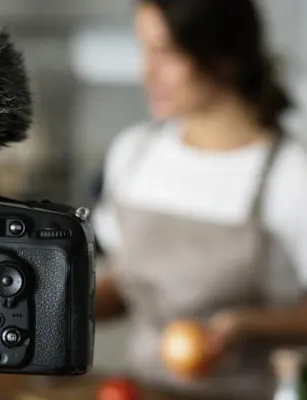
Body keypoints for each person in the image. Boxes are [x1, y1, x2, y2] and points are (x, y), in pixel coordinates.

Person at [93, 0, 307, 399]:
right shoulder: (136, 151)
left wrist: (246, 325)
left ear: (223, 56)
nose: (146, 71)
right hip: (139, 390)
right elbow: (125, 284)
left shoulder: (291, 176)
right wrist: (60, 299)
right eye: (144, 49)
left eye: (166, 53)